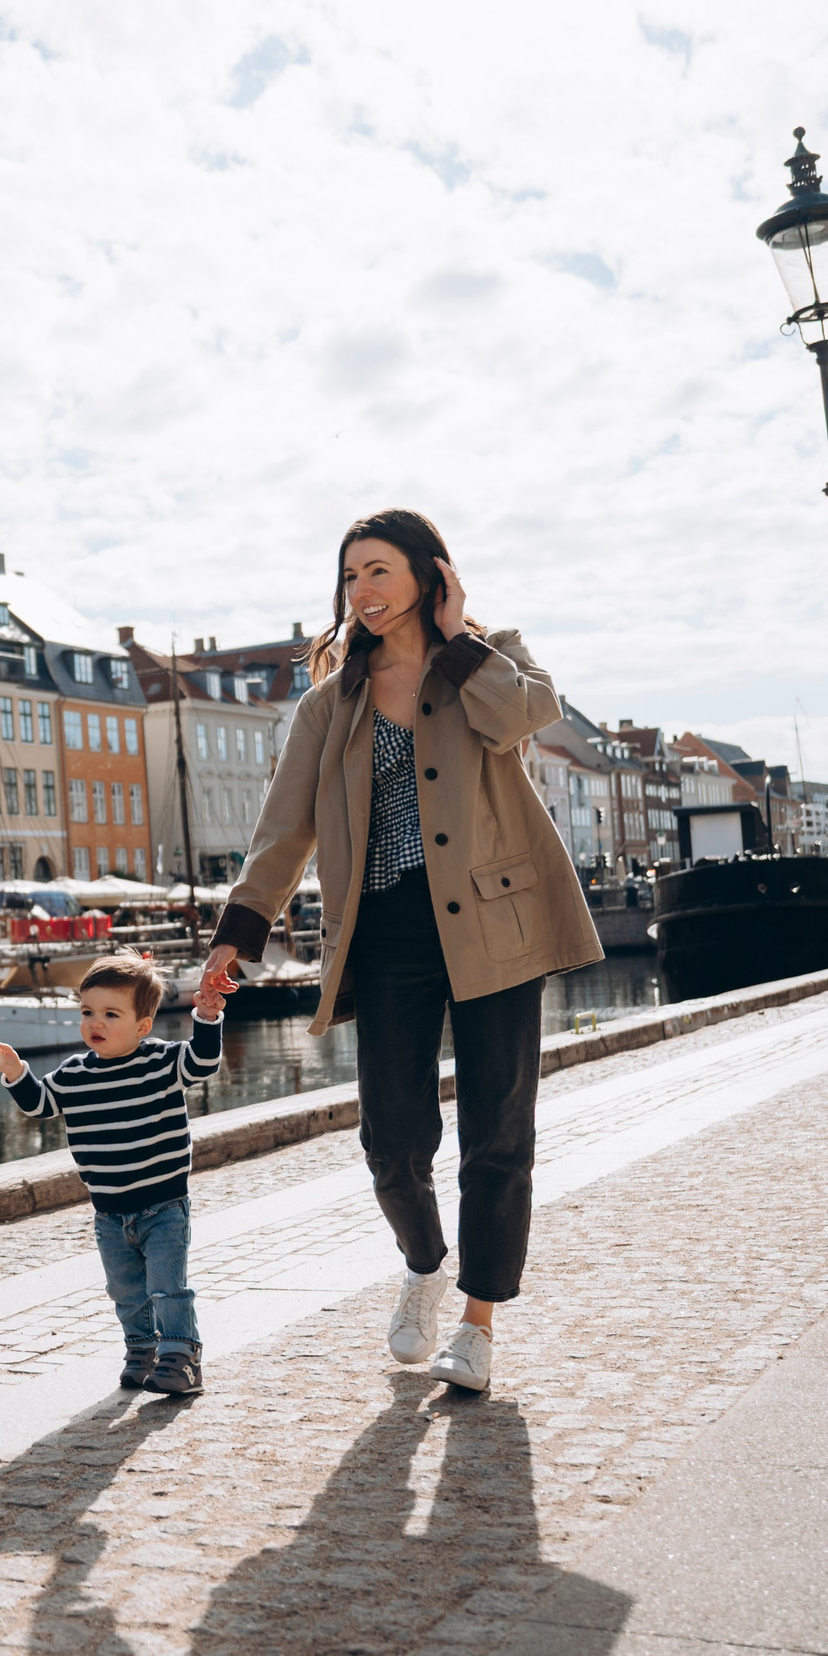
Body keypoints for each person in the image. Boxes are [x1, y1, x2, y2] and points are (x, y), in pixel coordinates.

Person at [200, 509, 601, 1395]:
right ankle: (424, 1263)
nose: (363, 592)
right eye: (350, 577)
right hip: (383, 932)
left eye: (378, 571)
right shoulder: (329, 698)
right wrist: (239, 931)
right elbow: (284, 828)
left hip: (495, 923)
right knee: (390, 1138)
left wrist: (459, 640)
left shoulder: (492, 660)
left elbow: (528, 717)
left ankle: (479, 1321)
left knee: (499, 1131)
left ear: (430, 573)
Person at [0, 952, 237, 1396]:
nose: (94, 1022)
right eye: (87, 1012)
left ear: (142, 1025)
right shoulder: (75, 1073)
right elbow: (41, 1104)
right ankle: (141, 1351)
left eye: (110, 1014)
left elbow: (203, 1063)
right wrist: (16, 1071)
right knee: (126, 1291)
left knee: (167, 1287)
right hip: (109, 1214)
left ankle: (181, 1357)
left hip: (164, 1207)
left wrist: (207, 1016)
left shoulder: (162, 1061)